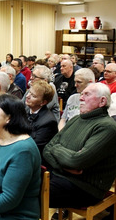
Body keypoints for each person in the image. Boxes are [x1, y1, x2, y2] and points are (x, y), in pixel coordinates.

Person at [43, 83, 116, 218]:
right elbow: (48, 148)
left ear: (102, 101)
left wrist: (57, 149)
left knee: (29, 193)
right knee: (19, 183)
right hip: (61, 176)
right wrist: (65, 165)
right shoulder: (76, 119)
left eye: (87, 94)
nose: (81, 98)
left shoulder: (108, 127)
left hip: (85, 188)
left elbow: (76, 161)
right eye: (81, 94)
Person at [25, 80, 58, 162]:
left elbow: (33, 147)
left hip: (33, 160)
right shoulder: (25, 111)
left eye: (33, 96)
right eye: (29, 92)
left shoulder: (49, 122)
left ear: (43, 102)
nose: (27, 96)